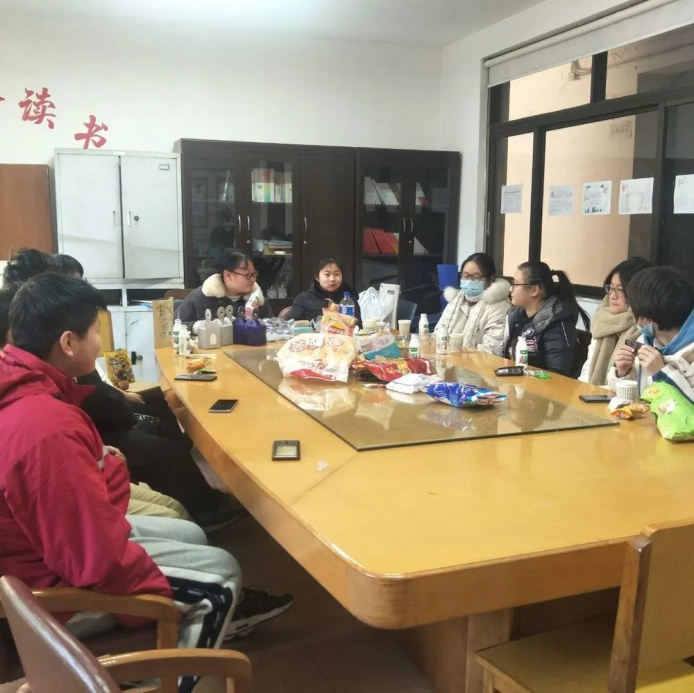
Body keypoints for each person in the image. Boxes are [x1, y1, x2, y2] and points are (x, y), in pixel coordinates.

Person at [0, 274, 292, 689]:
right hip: (46, 591)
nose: (99, 343)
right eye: (95, 333)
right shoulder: (46, 428)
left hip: (43, 554)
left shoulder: (21, 386)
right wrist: (148, 601)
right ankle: (167, 679)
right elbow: (94, 559)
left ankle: (174, 639)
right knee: (222, 577)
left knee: (191, 533)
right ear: (67, 343)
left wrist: (101, 466)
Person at [608, 266, 694, 401]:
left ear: (649, 318)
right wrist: (622, 373)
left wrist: (662, 373)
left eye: (633, 309)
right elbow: (627, 399)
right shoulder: (645, 340)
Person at [502, 261, 589, 377]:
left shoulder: (556, 323)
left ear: (534, 290)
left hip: (544, 386)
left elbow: (557, 375)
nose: (510, 289)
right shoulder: (516, 317)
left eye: (515, 284)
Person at [579, 257, 652, 386]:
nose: (613, 296)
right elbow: (588, 370)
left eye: (620, 290)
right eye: (611, 288)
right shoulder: (603, 321)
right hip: (593, 392)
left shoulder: (645, 328)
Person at [178, 250, 272, 332]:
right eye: (247, 275)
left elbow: (272, 326)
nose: (253, 279)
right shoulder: (199, 297)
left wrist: (255, 323)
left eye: (254, 274)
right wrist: (200, 326)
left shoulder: (257, 299)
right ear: (228, 276)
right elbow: (177, 325)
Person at [434, 252, 510, 353]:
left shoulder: (499, 307)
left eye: (476, 277)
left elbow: (492, 350)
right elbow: (438, 333)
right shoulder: (456, 299)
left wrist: (458, 355)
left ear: (490, 279)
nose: (469, 281)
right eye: (466, 276)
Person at [285, 257, 362, 326]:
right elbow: (292, 325)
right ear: (317, 277)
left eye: (337, 274)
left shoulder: (349, 299)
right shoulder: (303, 299)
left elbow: (358, 327)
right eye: (327, 275)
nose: (332, 279)